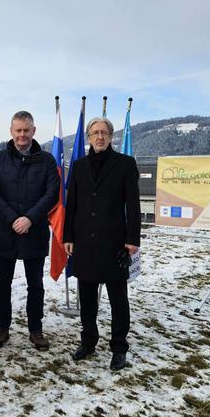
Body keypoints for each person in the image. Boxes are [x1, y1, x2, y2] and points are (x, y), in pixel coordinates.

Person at [63, 117, 141, 371]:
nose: (100, 137)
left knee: (118, 299)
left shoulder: (126, 164)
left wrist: (132, 239)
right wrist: (68, 236)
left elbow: (134, 204)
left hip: (114, 243)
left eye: (104, 133)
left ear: (111, 137)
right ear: (88, 137)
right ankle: (88, 341)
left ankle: (119, 347)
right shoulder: (78, 166)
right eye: (95, 133)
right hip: (84, 242)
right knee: (86, 298)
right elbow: (71, 205)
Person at [0, 111, 60, 350]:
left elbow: (52, 194)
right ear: (11, 131)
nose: (22, 135)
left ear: (34, 131)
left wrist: (29, 218)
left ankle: (36, 330)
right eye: (18, 130)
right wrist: (14, 218)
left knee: (35, 284)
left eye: (26, 130)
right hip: (6, 231)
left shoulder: (47, 161)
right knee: (2, 283)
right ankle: (2, 328)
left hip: (34, 231)